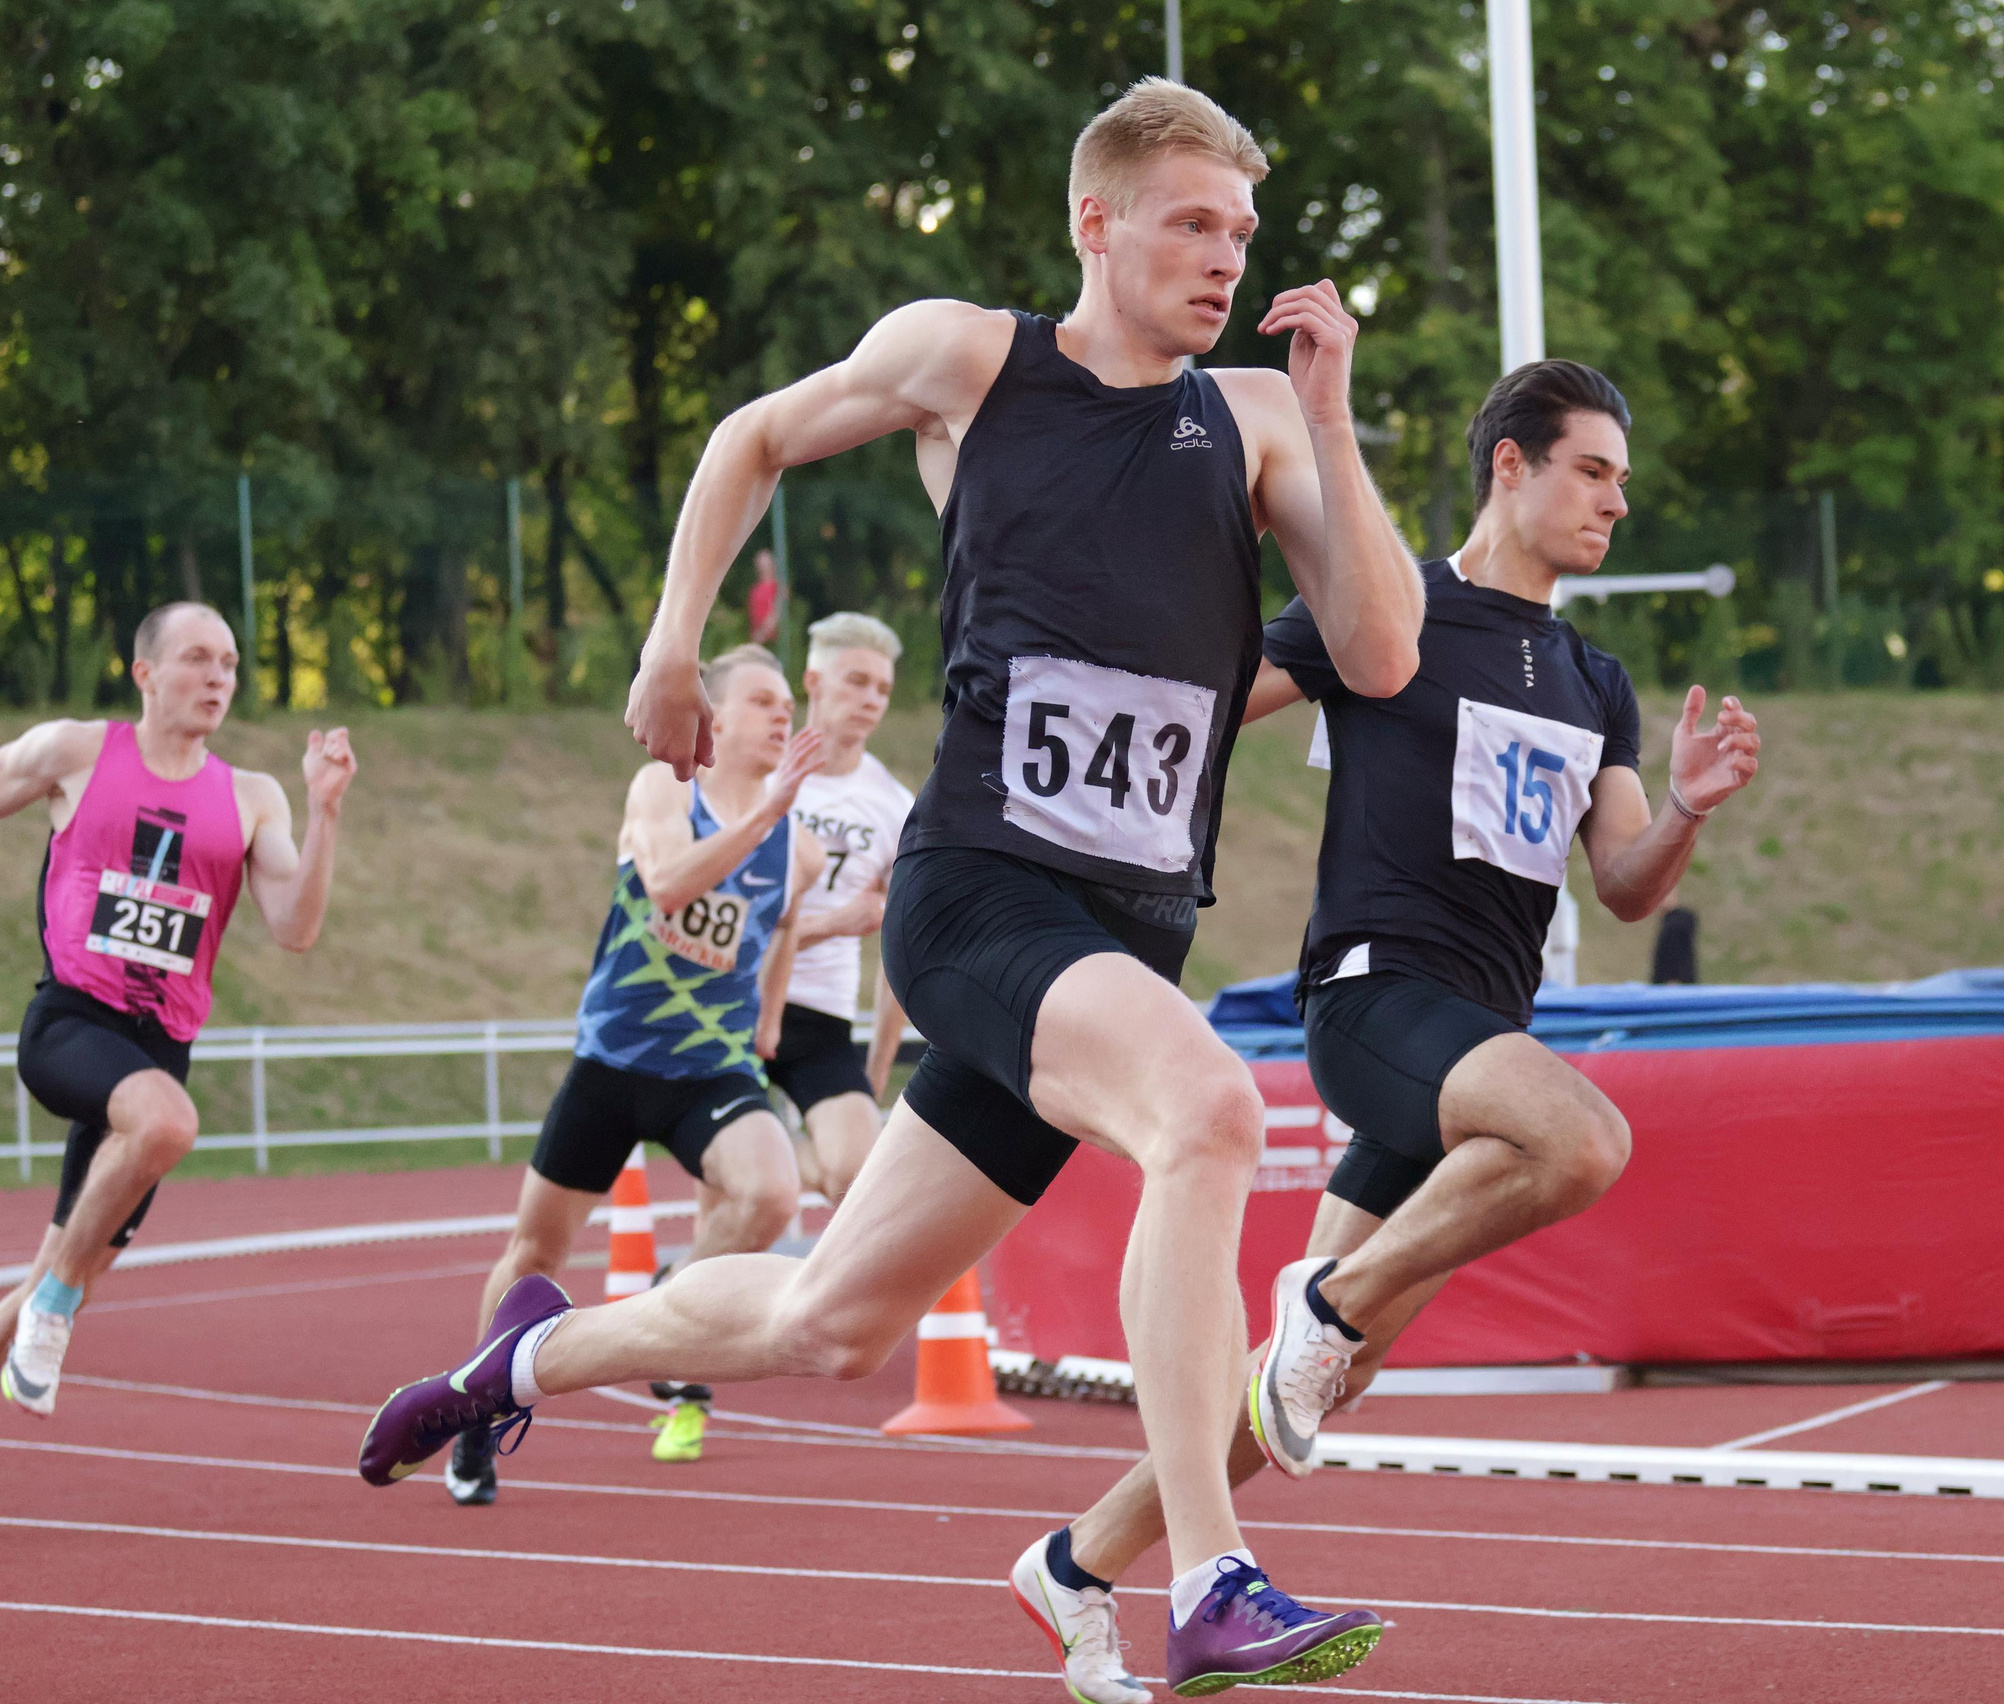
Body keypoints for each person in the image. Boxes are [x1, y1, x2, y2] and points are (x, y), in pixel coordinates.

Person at [361, 79, 1424, 1698]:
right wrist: (669, 644)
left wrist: (1333, 417)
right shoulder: (973, 356)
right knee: (1208, 1112)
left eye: (1245, 232)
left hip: (1125, 927)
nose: (1228, 257)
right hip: (985, 893)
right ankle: (1204, 1572)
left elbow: (1378, 651)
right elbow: (753, 435)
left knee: (832, 1316)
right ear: (1100, 219)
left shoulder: (1262, 421)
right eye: (1195, 222)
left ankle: (527, 1353)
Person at [1015, 362, 1762, 1700]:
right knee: (1584, 1141)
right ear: (1512, 468)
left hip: (1475, 1039)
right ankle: (1332, 1300)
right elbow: (1197, 707)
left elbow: (1629, 885)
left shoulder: (1596, 679)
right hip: (1374, 998)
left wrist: (1689, 810)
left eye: (1625, 482)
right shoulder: (1386, 611)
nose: (1617, 503)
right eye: (1593, 471)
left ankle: (1077, 1564)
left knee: (1305, 1389)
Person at [442, 644, 824, 1503]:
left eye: (787, 703)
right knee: (538, 1250)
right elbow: (667, 886)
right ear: (714, 716)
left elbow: (788, 921)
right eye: (763, 700)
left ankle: (671, 1296)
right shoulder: (667, 788)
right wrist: (765, 814)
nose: (783, 715)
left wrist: (768, 1017)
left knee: (769, 1194)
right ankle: (476, 1405)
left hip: (709, 1068)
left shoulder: (795, 840)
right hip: (614, 1064)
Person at [0, 602, 356, 1415]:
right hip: (72, 1026)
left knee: (57, 1277)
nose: (218, 678)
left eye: (229, 664)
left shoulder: (253, 797)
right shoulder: (77, 751)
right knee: (168, 1126)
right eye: (198, 659)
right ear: (146, 674)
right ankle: (54, 1313)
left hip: (160, 1050)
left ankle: (46, 1306)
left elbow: (295, 929)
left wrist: (327, 809)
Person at [765, 612, 912, 1203]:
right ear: (813, 681)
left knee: (859, 1180)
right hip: (735, 1001)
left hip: (819, 1015)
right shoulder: (758, 773)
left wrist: (876, 1069)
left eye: (882, 689)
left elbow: (901, 950)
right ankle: (679, 1289)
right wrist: (833, 924)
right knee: (742, 1198)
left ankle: (777, 1155)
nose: (871, 699)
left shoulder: (895, 808)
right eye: (856, 681)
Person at [746, 548, 782, 645]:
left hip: (773, 642)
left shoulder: (778, 588)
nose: (763, 567)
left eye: (766, 564)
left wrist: (762, 634)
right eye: (761, 564)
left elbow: (777, 612)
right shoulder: (754, 590)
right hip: (758, 641)